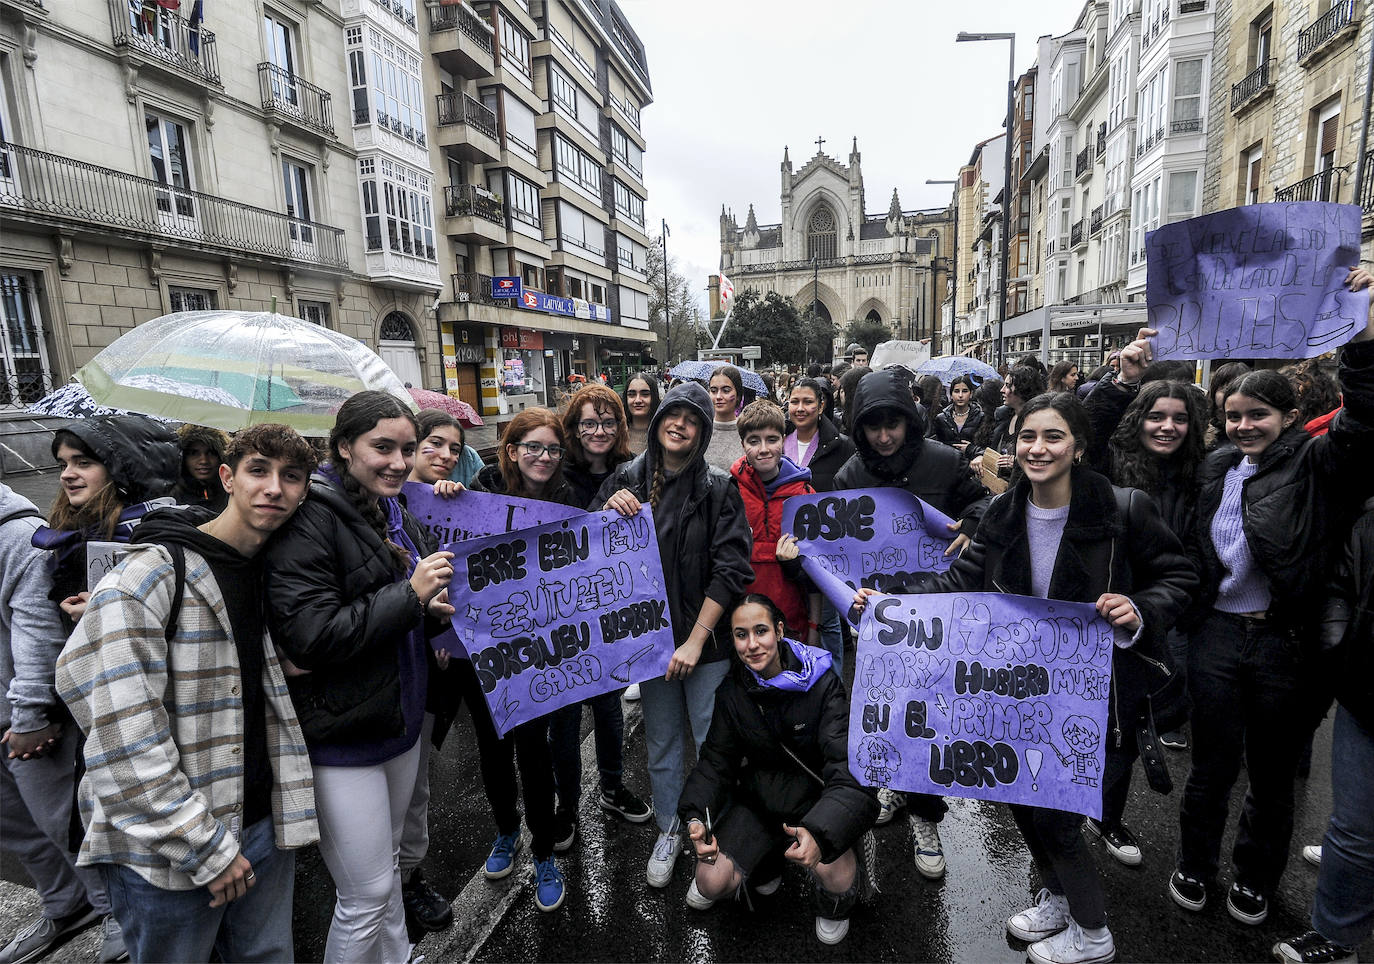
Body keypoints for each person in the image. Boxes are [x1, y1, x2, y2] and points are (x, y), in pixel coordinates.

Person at [853, 391, 1196, 964]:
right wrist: (891, 603)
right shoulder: (1003, 514)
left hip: (1095, 695)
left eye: (1054, 436)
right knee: (1021, 801)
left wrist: (1138, 609)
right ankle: (1057, 897)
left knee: (1059, 821)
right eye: (1027, 437)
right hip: (1016, 695)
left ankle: (1093, 934)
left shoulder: (1123, 509)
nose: (1038, 448)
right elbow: (961, 579)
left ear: (1079, 447)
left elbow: (1180, 575)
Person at [55, 424, 321, 963]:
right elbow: (124, 740)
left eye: (291, 477)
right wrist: (206, 848)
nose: (274, 488)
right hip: (167, 847)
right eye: (258, 471)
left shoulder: (267, 569)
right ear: (226, 476)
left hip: (262, 822)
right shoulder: (150, 575)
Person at [1171, 268, 1374, 929]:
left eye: (1257, 415)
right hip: (1219, 638)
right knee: (1211, 766)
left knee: (1272, 772)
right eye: (1231, 416)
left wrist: (1365, 336)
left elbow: (1365, 421)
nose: (1243, 426)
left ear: (1289, 418)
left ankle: (1255, 877)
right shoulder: (1217, 468)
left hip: (1284, 640)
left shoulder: (1315, 464)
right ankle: (1195, 864)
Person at [263, 392, 456, 961]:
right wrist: (410, 595)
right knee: (366, 892)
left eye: (406, 448)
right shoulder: (311, 519)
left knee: (389, 869)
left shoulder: (384, 507)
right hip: (342, 736)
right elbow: (312, 636)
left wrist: (424, 610)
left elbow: (384, 604)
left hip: (392, 720)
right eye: (382, 448)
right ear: (344, 447)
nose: (399, 462)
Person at [832, 368, 990, 880]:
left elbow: (985, 502)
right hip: (879, 619)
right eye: (873, 426)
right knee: (885, 710)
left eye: (892, 425)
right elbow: (837, 548)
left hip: (938, 613)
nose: (883, 436)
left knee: (929, 715)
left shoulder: (944, 462)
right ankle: (893, 787)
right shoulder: (850, 475)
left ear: (909, 421)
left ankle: (926, 815)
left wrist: (972, 524)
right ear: (860, 428)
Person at [598, 382, 753, 889]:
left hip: (703, 648)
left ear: (705, 431)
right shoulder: (626, 478)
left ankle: (709, 836)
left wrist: (696, 640)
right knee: (662, 742)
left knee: (711, 743)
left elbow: (730, 570)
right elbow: (589, 555)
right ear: (660, 419)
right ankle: (668, 828)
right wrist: (604, 511)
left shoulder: (718, 487)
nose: (680, 422)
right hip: (648, 646)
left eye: (694, 416)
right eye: (674, 413)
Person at [679, 594, 878, 945]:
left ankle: (834, 900)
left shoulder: (824, 683)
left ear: (780, 630)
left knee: (836, 877)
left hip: (814, 806)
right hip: (760, 801)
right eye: (741, 635)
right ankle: (767, 864)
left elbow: (849, 770)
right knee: (710, 882)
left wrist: (822, 832)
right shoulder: (732, 690)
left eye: (761, 631)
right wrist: (696, 818)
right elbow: (715, 761)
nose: (752, 644)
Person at [448, 409, 581, 911]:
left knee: (535, 750)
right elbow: (442, 542)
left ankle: (544, 853)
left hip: (540, 649)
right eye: (534, 448)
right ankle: (506, 831)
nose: (544, 458)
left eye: (552, 449)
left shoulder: (567, 496)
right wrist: (446, 499)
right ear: (510, 450)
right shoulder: (478, 489)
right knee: (492, 746)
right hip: (483, 646)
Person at [1080, 348, 1209, 865]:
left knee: (1129, 721)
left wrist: (1159, 606)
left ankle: (1107, 816)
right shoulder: (1113, 461)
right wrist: (1122, 382)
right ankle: (1069, 815)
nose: (1167, 427)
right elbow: (1085, 428)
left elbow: (1194, 559)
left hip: (1157, 613)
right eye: (1156, 416)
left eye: (1180, 419)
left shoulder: (1204, 474)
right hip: (1096, 608)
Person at [1, 484, 125, 964]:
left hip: (28, 720)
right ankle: (64, 903)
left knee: (68, 822)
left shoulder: (18, 536)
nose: (71, 474)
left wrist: (33, 714)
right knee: (18, 826)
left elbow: (36, 628)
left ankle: (112, 912)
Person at [1273, 497, 1374, 964]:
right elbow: (1342, 581)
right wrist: (1339, 645)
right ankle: (1337, 938)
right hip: (1366, 693)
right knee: (1354, 826)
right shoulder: (1369, 514)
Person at [552, 387, 653, 825]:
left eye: (609, 422)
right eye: (589, 423)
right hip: (562, 616)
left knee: (610, 710)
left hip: (611, 615)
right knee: (566, 718)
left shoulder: (633, 471)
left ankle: (611, 786)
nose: (599, 431)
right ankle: (568, 807)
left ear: (621, 427)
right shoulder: (555, 473)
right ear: (573, 428)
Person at [396, 409, 466, 935]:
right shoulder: (382, 507)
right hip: (384, 679)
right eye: (433, 444)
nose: (443, 455)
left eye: (453, 447)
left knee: (416, 788)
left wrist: (439, 637)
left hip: (425, 673)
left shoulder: (442, 503)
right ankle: (384, 888)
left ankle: (407, 877)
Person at [33, 416, 181, 634]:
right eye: (63, 464)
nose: (66, 475)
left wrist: (102, 610)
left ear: (121, 470)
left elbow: (175, 617)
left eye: (83, 463)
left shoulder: (155, 535)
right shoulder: (69, 528)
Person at [730, 400, 821, 641]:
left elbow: (816, 571)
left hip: (792, 620)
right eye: (753, 441)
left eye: (772, 439)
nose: (763, 449)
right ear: (742, 444)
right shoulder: (730, 492)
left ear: (783, 439)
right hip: (742, 622)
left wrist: (814, 627)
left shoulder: (805, 495)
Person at [973, 364, 1047, 483]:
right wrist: (983, 457)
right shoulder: (1004, 416)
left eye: (1007, 386)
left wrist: (1019, 463)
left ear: (1022, 390)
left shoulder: (1039, 422)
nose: (1002, 390)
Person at [784, 377, 855, 493]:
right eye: (795, 402)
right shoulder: (776, 443)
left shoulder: (843, 446)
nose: (800, 408)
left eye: (808, 402)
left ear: (821, 406)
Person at [172, 423, 229, 513]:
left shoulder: (233, 494)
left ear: (221, 457)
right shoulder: (171, 497)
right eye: (194, 453)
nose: (204, 461)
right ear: (183, 457)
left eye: (211, 453)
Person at [703, 365, 746, 471]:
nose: (718, 396)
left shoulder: (747, 431)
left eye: (726, 391)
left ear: (738, 396)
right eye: (713, 390)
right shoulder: (700, 431)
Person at [930, 375, 985, 457]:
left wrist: (971, 449)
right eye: (956, 391)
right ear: (951, 395)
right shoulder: (941, 418)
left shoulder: (980, 417)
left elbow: (985, 447)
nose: (960, 395)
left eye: (965, 391)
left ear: (971, 394)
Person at [622, 372, 661, 455]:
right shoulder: (617, 433)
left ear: (654, 397)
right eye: (632, 394)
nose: (638, 400)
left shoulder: (664, 433)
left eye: (645, 394)